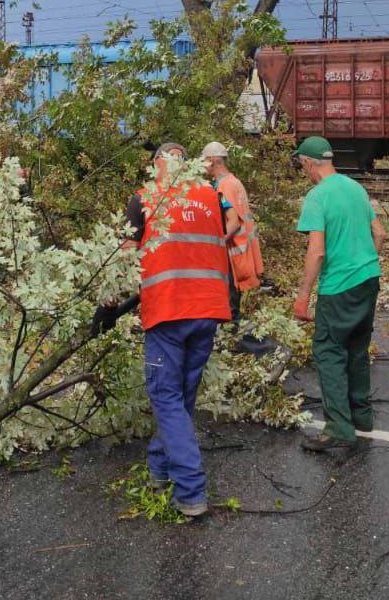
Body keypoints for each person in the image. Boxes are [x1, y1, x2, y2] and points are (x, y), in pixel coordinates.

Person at [122, 142, 232, 518]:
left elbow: (126, 254)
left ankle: (191, 491)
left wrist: (113, 302)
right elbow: (232, 228)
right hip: (210, 306)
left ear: (156, 165)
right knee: (181, 394)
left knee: (165, 395)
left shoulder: (145, 197)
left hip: (168, 309)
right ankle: (160, 467)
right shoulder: (211, 195)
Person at [291, 136, 385, 461]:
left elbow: (317, 251)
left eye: (300, 165)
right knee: (357, 348)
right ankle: (362, 417)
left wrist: (303, 296)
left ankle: (337, 429)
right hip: (368, 278)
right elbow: (380, 234)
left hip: (339, 287)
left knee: (329, 352)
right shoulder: (355, 187)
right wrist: (364, 263)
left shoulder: (317, 197)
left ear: (307, 163)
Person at [202, 141, 264, 326]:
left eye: (205, 161)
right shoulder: (233, 181)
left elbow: (234, 222)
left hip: (232, 251)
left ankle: (233, 335)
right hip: (240, 249)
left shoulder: (224, 186)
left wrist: (216, 244)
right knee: (232, 300)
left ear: (213, 160)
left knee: (230, 303)